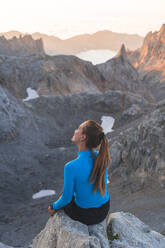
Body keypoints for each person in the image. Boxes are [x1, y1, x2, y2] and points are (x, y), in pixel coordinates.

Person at [48, 120, 111, 225]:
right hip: (104, 209)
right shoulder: (102, 158)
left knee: (64, 195)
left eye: (79, 129)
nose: (76, 131)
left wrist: (52, 206)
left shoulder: (70, 167)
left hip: (85, 215)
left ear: (83, 137)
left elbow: (66, 199)